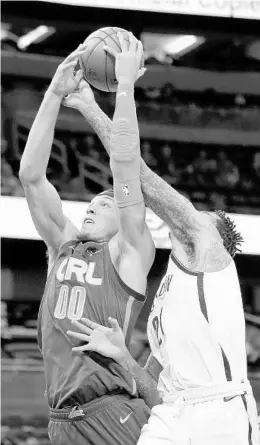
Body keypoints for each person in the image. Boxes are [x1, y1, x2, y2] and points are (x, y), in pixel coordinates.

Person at [64, 63, 259, 445]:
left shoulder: (207, 245)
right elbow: (153, 388)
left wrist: (92, 105)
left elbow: (132, 171)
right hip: (172, 414)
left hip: (221, 415)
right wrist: (122, 355)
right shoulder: (167, 295)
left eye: (201, 214)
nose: (191, 211)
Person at [19, 36, 159, 445]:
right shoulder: (63, 244)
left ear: (129, 216)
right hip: (62, 419)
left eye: (107, 201)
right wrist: (54, 93)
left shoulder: (129, 252)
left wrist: (126, 88)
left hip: (111, 410)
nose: (93, 207)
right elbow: (31, 176)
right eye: (92, 202)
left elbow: (126, 165)